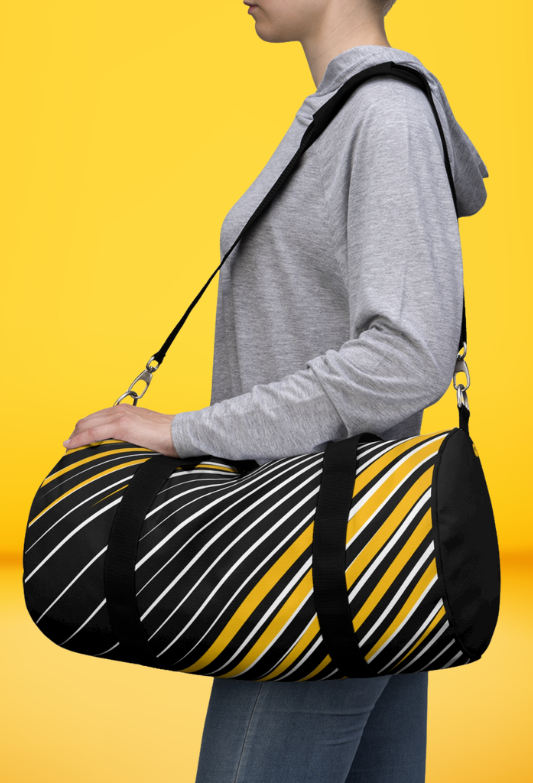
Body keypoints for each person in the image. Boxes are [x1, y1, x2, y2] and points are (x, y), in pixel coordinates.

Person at [63, 1, 488, 780]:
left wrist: (183, 430)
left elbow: (406, 357)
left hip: (311, 557)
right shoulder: (346, 114)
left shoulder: (384, 117)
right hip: (336, 543)